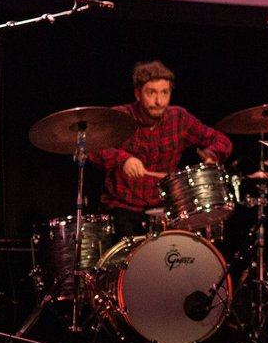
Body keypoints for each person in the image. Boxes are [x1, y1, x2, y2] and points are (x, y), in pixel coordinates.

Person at [90, 61, 231, 238]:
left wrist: (211, 154)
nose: (159, 101)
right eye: (152, 93)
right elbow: (92, 148)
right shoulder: (120, 117)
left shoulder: (179, 118)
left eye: (165, 93)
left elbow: (222, 141)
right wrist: (122, 159)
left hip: (164, 209)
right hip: (122, 208)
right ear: (137, 94)